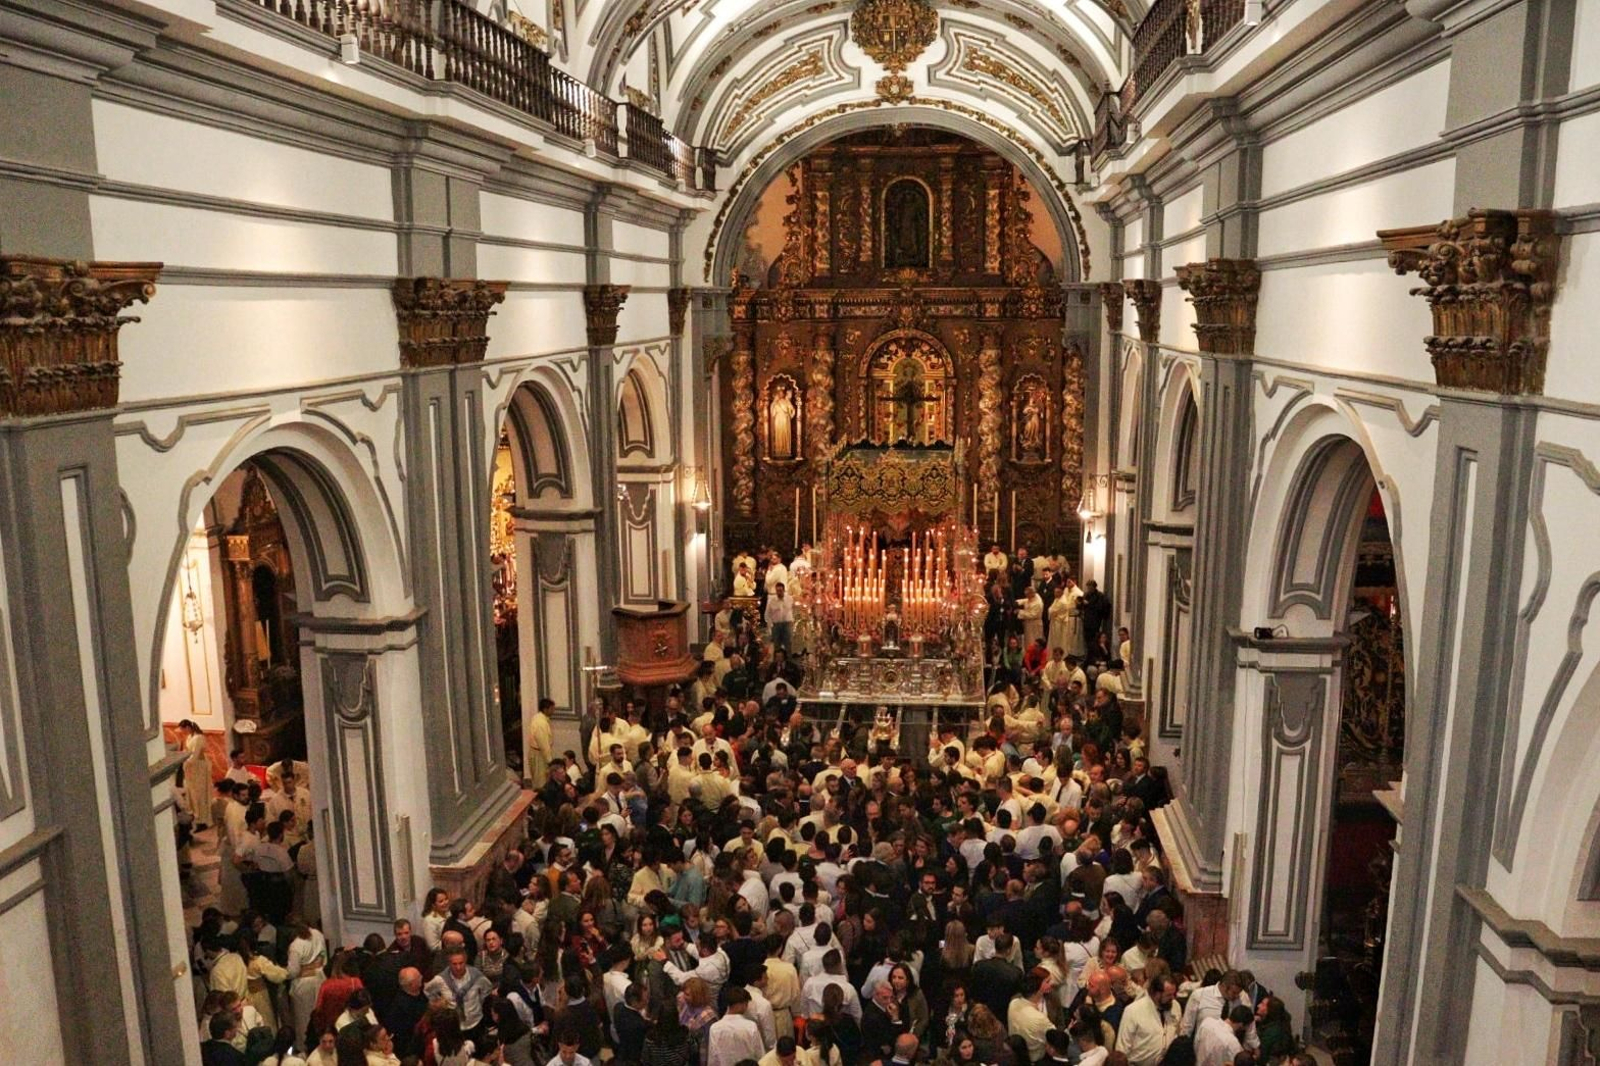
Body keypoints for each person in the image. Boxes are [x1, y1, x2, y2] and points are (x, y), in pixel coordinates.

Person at [707, 986, 766, 1066]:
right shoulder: (750, 1026)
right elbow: (759, 1053)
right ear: (743, 1004)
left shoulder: (715, 1028)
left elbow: (713, 1058)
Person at [180, 720, 216, 830]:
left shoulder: (199, 738)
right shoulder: (189, 737)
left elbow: (195, 755)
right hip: (192, 770)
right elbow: (187, 752)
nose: (183, 732)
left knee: (200, 794)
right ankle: (196, 816)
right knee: (193, 794)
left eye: (183, 729)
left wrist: (185, 763)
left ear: (187, 727)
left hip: (199, 768)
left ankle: (203, 820)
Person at [766, 582, 794, 652]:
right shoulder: (772, 601)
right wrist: (770, 626)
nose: (779, 593)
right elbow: (768, 614)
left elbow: (793, 609)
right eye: (777, 591)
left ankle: (788, 660)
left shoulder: (789, 599)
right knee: (777, 645)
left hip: (787, 624)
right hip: (776, 625)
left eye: (780, 591)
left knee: (788, 644)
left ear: (784, 590)